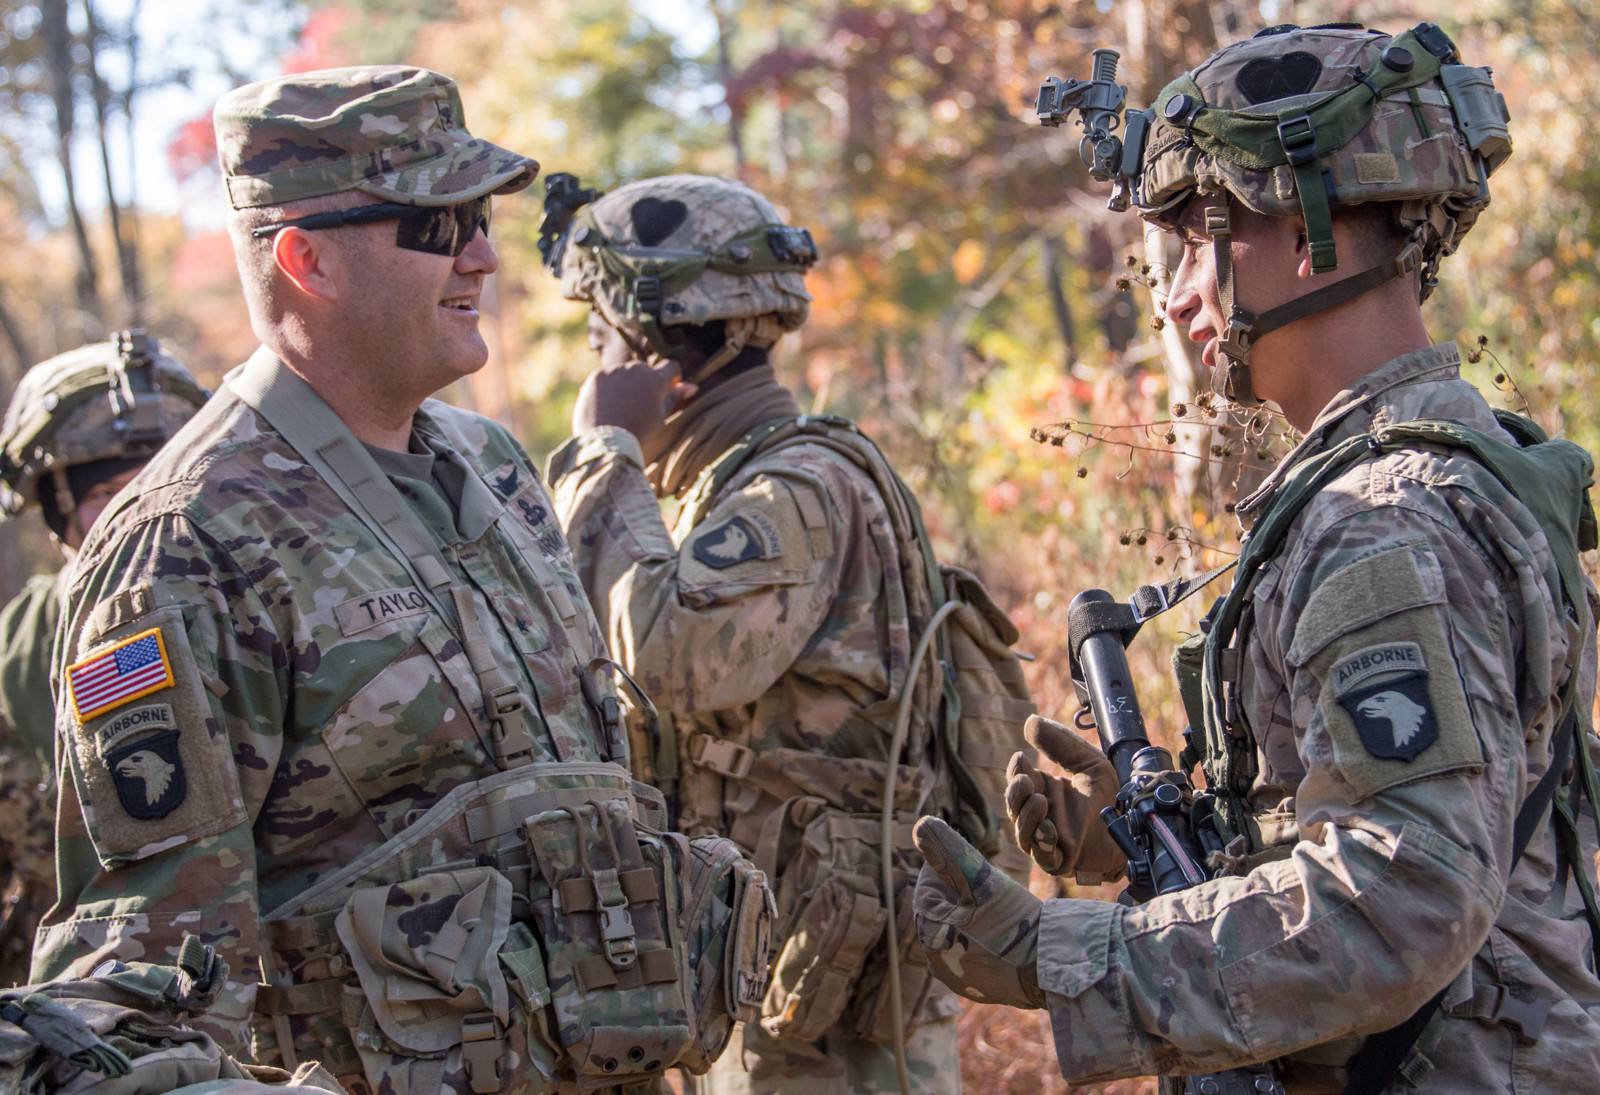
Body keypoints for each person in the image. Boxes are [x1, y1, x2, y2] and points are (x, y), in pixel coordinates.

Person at [34, 67, 771, 1094]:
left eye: (479, 216)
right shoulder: (183, 547)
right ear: (307, 261)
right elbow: (144, 969)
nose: (484, 253)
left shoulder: (494, 466)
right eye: (438, 223)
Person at [913, 21, 1600, 1092]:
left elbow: (1404, 893)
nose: (1180, 292)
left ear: (1308, 234)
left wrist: (1064, 955)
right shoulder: (1443, 470)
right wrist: (1152, 842)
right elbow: (1405, 825)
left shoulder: (1385, 519)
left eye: (1200, 243)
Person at [544, 173, 1034, 1095]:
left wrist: (601, 450)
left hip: (823, 1006)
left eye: (600, 341)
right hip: (773, 962)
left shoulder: (793, 490)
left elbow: (671, 656)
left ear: (653, 355)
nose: (592, 368)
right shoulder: (725, 484)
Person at [0, 332, 208, 988]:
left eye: (161, 479)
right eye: (108, 493)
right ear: (57, 507)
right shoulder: (17, 648)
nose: (137, 512)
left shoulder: (251, 604)